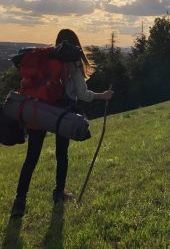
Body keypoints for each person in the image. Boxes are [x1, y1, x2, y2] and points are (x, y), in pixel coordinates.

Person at [10, 29, 113, 218]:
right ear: (75, 43)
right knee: (61, 155)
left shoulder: (46, 57)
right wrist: (102, 95)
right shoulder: (73, 61)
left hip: (39, 110)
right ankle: (59, 193)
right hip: (62, 114)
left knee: (31, 158)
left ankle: (19, 202)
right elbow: (82, 94)